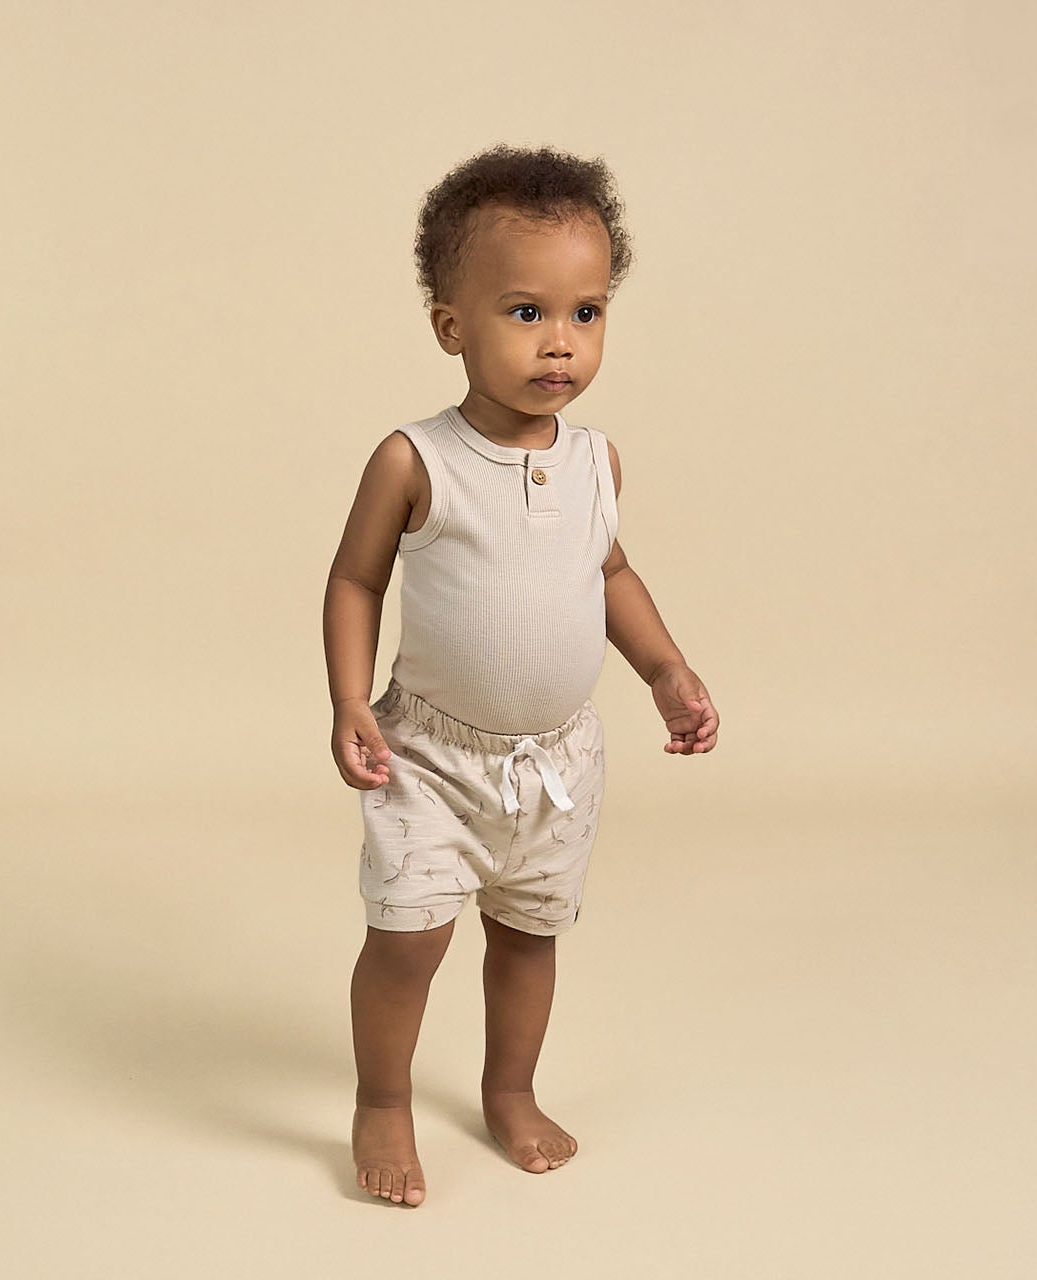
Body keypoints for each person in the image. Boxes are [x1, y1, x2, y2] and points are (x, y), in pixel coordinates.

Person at [323, 144, 719, 1207]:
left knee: (528, 936)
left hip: (555, 763)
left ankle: (510, 1087)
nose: (561, 342)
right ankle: (383, 1098)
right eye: (526, 312)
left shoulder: (597, 461)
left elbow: (612, 571)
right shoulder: (417, 459)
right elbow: (357, 580)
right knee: (409, 937)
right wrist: (351, 698)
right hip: (431, 757)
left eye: (585, 313)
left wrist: (664, 668)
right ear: (453, 326)